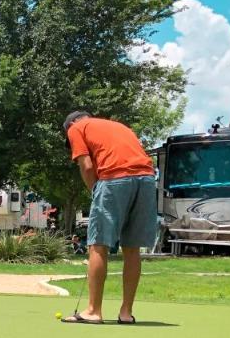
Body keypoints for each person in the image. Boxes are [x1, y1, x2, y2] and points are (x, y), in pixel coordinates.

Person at [60, 111, 157, 325]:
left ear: (71, 125)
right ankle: (126, 313)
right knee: (132, 248)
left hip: (114, 179)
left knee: (98, 245)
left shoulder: (77, 127)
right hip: (147, 180)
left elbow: (86, 166)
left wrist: (95, 190)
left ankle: (94, 311)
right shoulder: (120, 126)